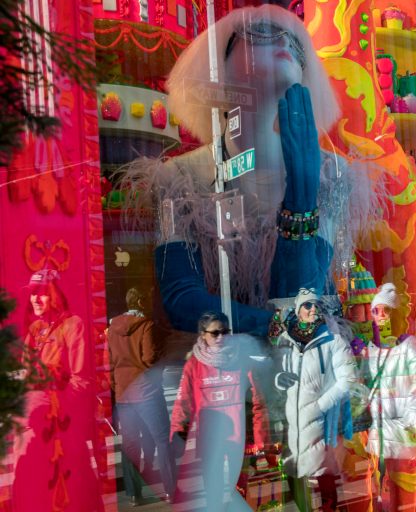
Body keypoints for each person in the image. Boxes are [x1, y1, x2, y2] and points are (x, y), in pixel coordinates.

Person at [121, 4, 381, 335]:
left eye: (294, 41)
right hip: (219, 357)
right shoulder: (181, 177)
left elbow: (305, 295)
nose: (284, 42)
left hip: (301, 357)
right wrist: (272, 326)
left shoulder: (331, 175)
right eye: (261, 32)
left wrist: (302, 192)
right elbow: (182, 299)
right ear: (221, 67)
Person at [12, 269, 102, 511]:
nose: (35, 299)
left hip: (60, 431)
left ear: (56, 294)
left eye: (41, 293)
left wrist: (51, 408)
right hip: (32, 430)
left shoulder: (73, 325)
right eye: (32, 293)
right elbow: (25, 375)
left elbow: (81, 381)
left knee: (72, 497)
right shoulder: (35, 329)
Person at [170, 311, 270, 511]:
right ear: (203, 334)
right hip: (210, 442)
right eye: (215, 333)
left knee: (239, 491)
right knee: (214, 493)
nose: (221, 337)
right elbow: (183, 402)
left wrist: (261, 439)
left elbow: (258, 401)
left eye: (225, 332)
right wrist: (175, 433)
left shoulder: (240, 361)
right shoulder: (194, 365)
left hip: (238, 442)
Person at [274, 288, 357, 511]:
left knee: (325, 479)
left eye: (316, 305)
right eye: (307, 305)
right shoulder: (286, 341)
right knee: (299, 479)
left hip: (323, 423)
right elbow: (277, 372)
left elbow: (348, 379)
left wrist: (320, 406)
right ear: (297, 310)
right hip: (293, 424)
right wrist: (279, 380)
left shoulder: (333, 340)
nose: (313, 309)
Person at [107, 287, 176, 505]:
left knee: (130, 445)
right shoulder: (146, 326)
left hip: (124, 394)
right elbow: (148, 358)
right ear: (140, 303)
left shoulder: (112, 330)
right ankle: (170, 490)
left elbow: (109, 364)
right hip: (146, 392)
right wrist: (161, 358)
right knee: (162, 440)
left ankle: (134, 494)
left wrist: (117, 387)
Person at [364, 283, 416, 512]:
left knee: (402, 478)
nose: (382, 316)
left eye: (386, 310)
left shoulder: (408, 345)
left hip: (400, 422)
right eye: (376, 311)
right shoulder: (369, 346)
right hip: (379, 422)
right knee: (376, 477)